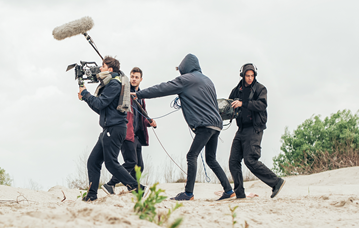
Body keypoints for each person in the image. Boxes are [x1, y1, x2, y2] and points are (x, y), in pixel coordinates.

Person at [135, 53, 234, 201]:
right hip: (217, 124)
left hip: (204, 125)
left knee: (191, 155)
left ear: (185, 67)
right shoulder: (208, 80)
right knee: (211, 159)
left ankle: (188, 193)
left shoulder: (186, 79)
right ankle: (228, 190)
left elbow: (163, 88)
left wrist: (139, 94)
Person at [79, 56, 141, 201]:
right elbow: (101, 109)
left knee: (111, 163)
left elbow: (100, 103)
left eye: (103, 66)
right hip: (107, 129)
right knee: (93, 162)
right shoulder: (110, 84)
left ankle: (137, 188)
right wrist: (85, 98)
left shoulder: (114, 84)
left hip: (115, 128)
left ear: (110, 69)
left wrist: (86, 94)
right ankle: (92, 195)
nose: (100, 68)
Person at [228, 63, 285, 199]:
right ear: (242, 75)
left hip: (254, 129)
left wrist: (244, 103)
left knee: (250, 160)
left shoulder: (261, 89)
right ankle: (240, 194)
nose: (249, 78)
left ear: (255, 76)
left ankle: (276, 182)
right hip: (241, 129)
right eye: (247, 76)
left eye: (252, 76)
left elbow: (262, 105)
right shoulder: (237, 90)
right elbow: (229, 104)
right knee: (233, 161)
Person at [103, 67, 156, 194]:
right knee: (130, 162)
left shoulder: (141, 97)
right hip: (127, 133)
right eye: (132, 76)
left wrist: (149, 122)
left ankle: (132, 187)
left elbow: (141, 117)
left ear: (140, 79)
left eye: (136, 77)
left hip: (137, 135)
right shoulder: (125, 92)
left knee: (139, 167)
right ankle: (111, 184)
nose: (133, 79)